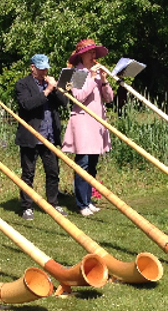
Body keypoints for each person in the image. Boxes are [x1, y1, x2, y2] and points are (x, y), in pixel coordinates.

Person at [62, 39, 114, 217]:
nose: (94, 56)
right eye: (90, 53)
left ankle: (88, 199)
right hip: (83, 123)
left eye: (95, 53)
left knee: (92, 164)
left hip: (97, 123)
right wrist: (92, 79)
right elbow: (78, 96)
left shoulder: (98, 74)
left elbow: (109, 99)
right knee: (82, 163)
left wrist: (105, 80)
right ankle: (81, 203)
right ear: (82, 55)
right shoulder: (77, 73)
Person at [15, 54, 68, 221]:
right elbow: (27, 105)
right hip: (31, 135)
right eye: (41, 68)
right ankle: (27, 206)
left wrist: (56, 88)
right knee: (28, 173)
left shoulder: (50, 84)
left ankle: (53, 202)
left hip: (49, 134)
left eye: (46, 68)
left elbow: (64, 102)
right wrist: (47, 91)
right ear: (32, 67)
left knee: (53, 171)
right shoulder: (22, 84)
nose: (44, 71)